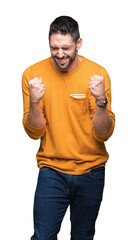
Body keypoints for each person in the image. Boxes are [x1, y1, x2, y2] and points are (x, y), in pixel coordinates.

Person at [22, 16, 115, 240]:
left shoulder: (97, 74)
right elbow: (34, 133)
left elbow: (104, 134)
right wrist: (35, 102)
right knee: (42, 237)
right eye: (54, 47)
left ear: (78, 44)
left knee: (83, 237)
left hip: (90, 171)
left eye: (66, 47)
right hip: (51, 170)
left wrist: (101, 100)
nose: (60, 54)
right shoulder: (33, 75)